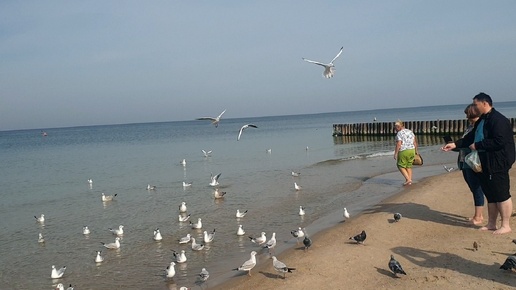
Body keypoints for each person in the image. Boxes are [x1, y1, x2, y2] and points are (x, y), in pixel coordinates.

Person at [442, 93, 515, 234]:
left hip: (498, 162)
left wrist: (479, 145)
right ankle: (492, 223)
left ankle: (505, 225)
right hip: (484, 163)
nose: (474, 107)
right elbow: (470, 137)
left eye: (476, 104)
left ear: (485, 103)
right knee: (491, 194)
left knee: (502, 194)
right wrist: (454, 144)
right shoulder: (482, 119)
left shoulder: (498, 120)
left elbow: (500, 141)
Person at [455, 104, 485, 225]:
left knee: (477, 188)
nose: (467, 117)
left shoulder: (479, 127)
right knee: (473, 188)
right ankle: (478, 214)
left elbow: (475, 144)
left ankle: (478, 216)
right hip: (464, 161)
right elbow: (464, 142)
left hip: (473, 162)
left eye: (468, 115)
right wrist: (453, 146)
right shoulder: (470, 127)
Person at [394, 120, 418, 186]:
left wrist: (395, 153)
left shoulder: (399, 133)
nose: (395, 129)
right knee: (408, 166)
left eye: (395, 127)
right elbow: (414, 142)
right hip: (412, 150)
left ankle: (408, 179)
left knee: (400, 165)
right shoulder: (410, 132)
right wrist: (416, 151)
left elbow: (399, 144)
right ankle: (409, 181)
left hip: (404, 150)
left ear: (399, 127)